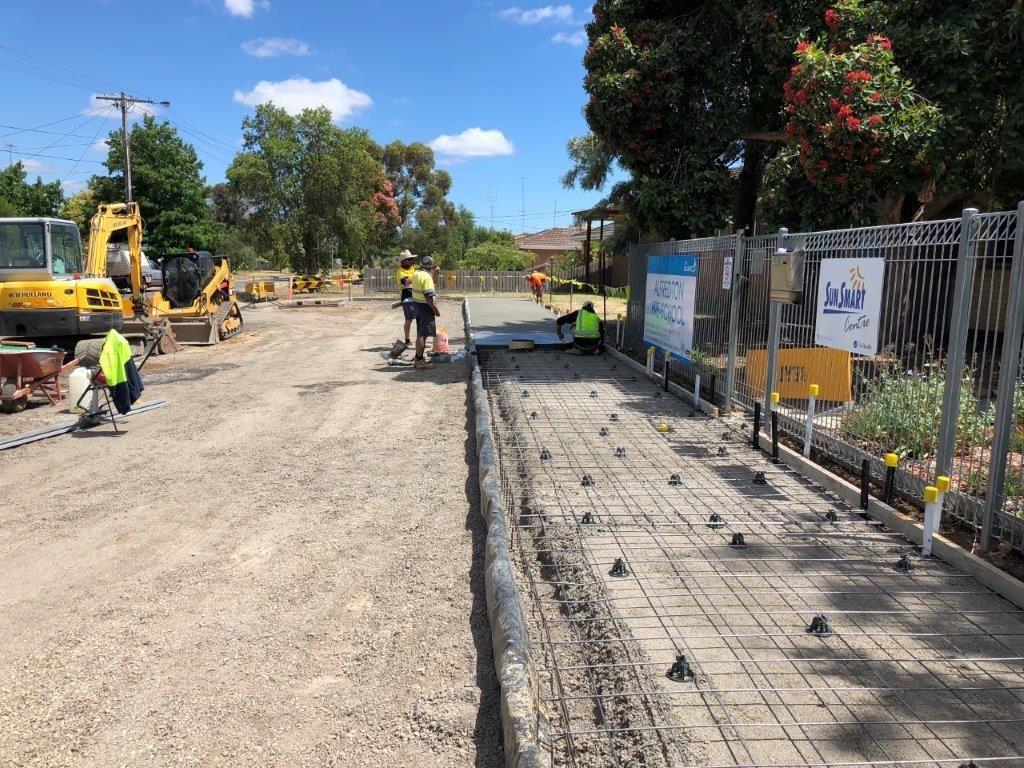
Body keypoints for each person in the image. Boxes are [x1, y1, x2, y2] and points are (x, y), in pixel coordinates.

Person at [410, 254, 441, 369]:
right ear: (430, 265)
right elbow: (429, 296)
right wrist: (435, 309)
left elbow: (432, 282)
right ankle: (419, 361)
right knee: (423, 335)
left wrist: (436, 273)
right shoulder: (426, 277)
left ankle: (418, 358)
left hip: (417, 306)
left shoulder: (417, 274)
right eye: (432, 265)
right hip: (425, 308)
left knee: (420, 334)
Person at [395, 250, 417, 346]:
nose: (412, 261)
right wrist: (418, 278)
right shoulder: (400, 272)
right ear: (404, 261)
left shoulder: (413, 269)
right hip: (407, 297)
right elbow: (406, 281)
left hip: (416, 296)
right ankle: (407, 340)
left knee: (419, 318)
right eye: (410, 259)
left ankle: (419, 339)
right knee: (409, 319)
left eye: (412, 259)